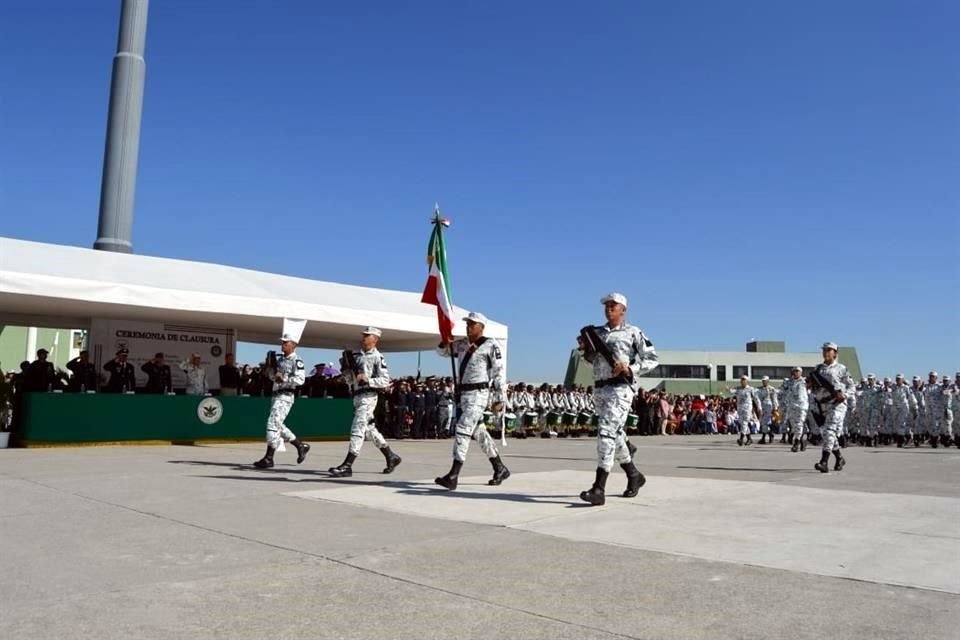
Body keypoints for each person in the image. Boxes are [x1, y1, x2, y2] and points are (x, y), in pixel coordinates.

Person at [576, 293, 658, 506]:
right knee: (615, 435)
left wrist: (630, 368)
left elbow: (652, 359)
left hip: (621, 389)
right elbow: (592, 364)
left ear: (623, 310)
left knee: (605, 432)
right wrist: (586, 353)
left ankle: (598, 488)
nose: (608, 308)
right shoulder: (597, 333)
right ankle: (634, 475)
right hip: (600, 389)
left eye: (613, 305)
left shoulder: (633, 332)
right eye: (606, 305)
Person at [434, 312, 511, 490]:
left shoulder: (491, 345)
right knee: (480, 433)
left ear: (481, 327)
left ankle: (453, 474)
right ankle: (499, 468)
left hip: (479, 393)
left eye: (472, 324)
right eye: (467, 323)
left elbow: (499, 372)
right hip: (463, 395)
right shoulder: (461, 344)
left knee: (462, 429)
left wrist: (499, 398)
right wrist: (445, 340)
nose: (468, 327)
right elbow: (441, 351)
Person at [328, 327, 402, 477]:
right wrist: (346, 370)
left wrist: (368, 379)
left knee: (358, 428)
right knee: (369, 429)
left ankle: (348, 464)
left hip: (369, 396)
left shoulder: (378, 357)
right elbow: (350, 380)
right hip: (357, 396)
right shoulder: (356, 355)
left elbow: (385, 381)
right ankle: (391, 456)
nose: (364, 339)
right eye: (364, 336)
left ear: (375, 339)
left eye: (367, 336)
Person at [253, 333, 310, 468]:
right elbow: (274, 377)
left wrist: (283, 378)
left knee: (273, 424)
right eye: (282, 343)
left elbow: (301, 380)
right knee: (278, 424)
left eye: (286, 343)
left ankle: (269, 457)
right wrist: (269, 371)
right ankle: (300, 445)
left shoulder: (297, 360)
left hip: (286, 396)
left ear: (294, 345)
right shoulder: (280, 360)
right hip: (276, 394)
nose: (282, 345)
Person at [808, 342, 853, 473]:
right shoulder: (818, 369)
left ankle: (824, 462)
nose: (826, 352)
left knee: (829, 430)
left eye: (829, 350)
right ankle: (839, 458)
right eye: (824, 350)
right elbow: (813, 387)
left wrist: (845, 395)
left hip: (837, 404)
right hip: (822, 405)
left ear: (835, 353)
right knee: (828, 433)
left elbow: (852, 387)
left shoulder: (841, 368)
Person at [781, 366, 809, 452]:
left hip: (802, 406)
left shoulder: (805, 381)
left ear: (801, 372)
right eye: (794, 371)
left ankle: (796, 443)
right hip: (791, 406)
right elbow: (782, 391)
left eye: (798, 371)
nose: (796, 372)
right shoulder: (788, 382)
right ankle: (801, 441)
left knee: (799, 424)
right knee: (794, 426)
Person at [729, 375, 761, 446]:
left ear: (747, 381)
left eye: (744, 380)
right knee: (743, 423)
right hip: (740, 408)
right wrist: (728, 389)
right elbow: (732, 391)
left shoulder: (751, 389)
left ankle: (741, 438)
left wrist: (759, 407)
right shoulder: (738, 389)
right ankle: (749, 438)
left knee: (744, 422)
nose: (742, 381)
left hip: (747, 409)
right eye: (741, 380)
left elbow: (756, 399)